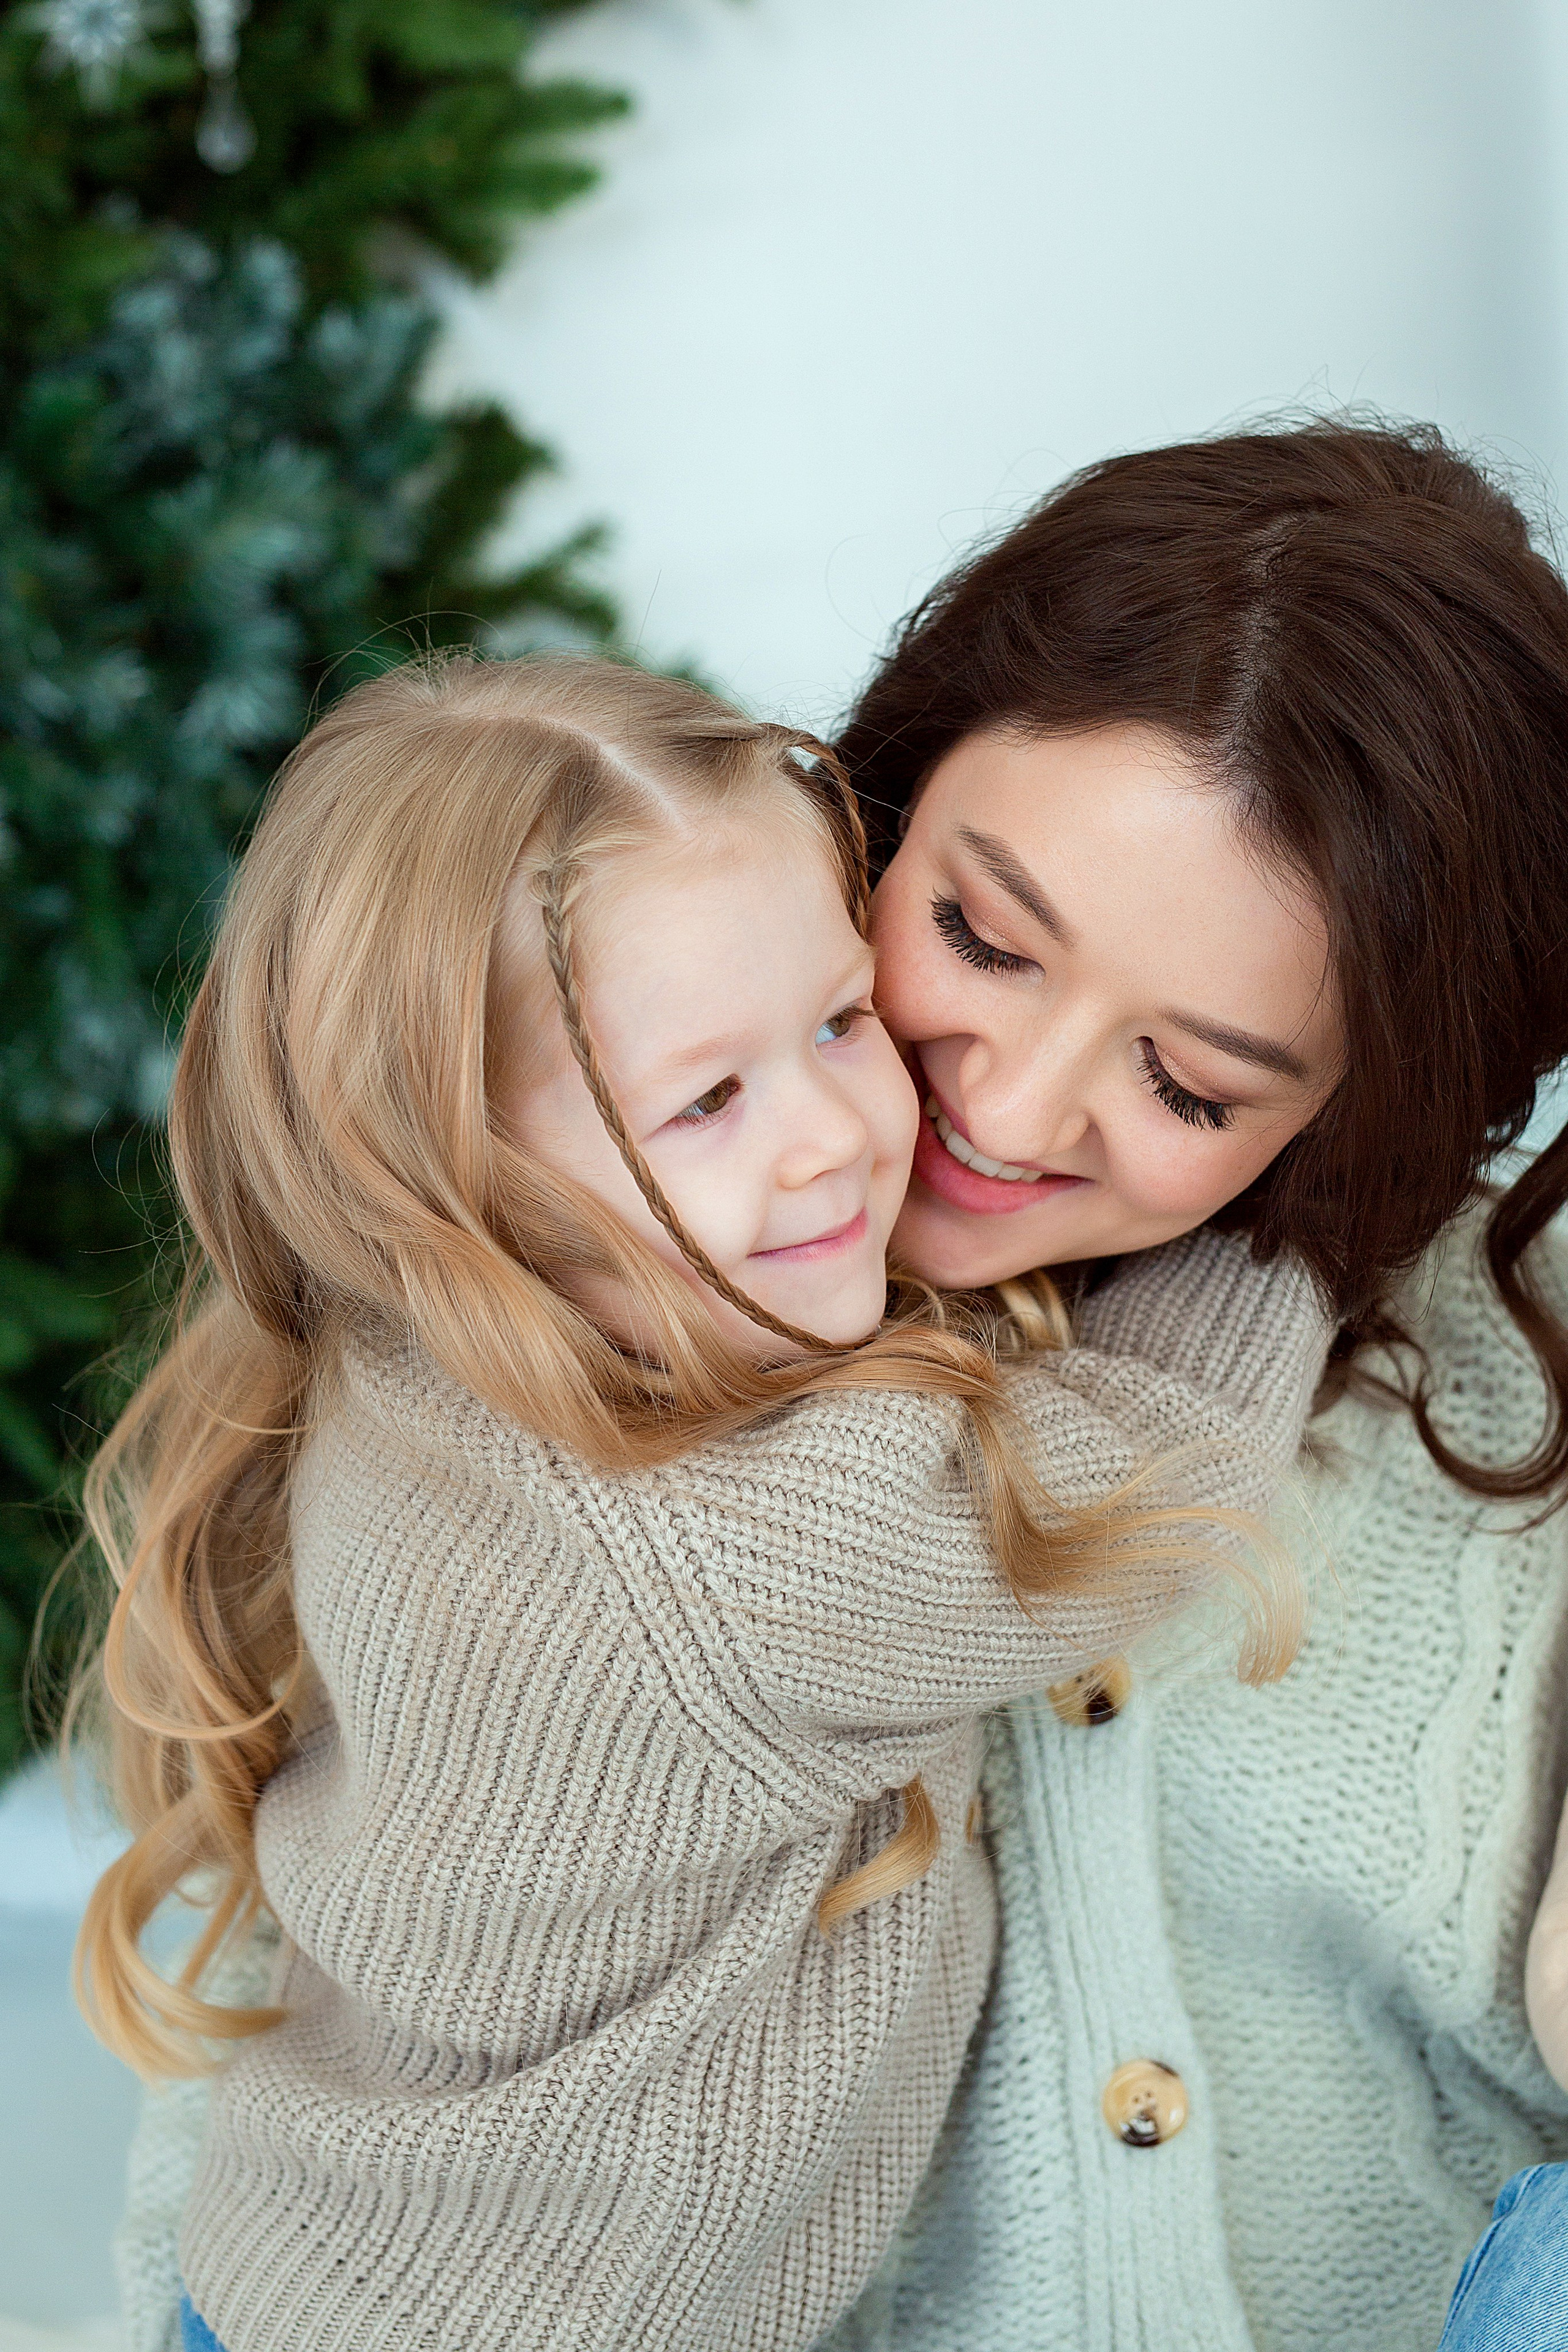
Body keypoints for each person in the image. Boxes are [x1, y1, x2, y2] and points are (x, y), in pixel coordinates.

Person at [76, 654, 1324, 2352]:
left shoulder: (436, 1335)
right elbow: (1149, 1469)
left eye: (838, 1020)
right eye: (710, 1098)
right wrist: (1301, 1202)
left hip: (333, 2283)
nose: (835, 1139)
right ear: (454, 1167)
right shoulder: (722, 1560)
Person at [818, 420, 1568, 2350]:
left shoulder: (1521, 1342)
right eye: (980, 934)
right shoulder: (582, 1251)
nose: (1003, 1105)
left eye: (1193, 1085)